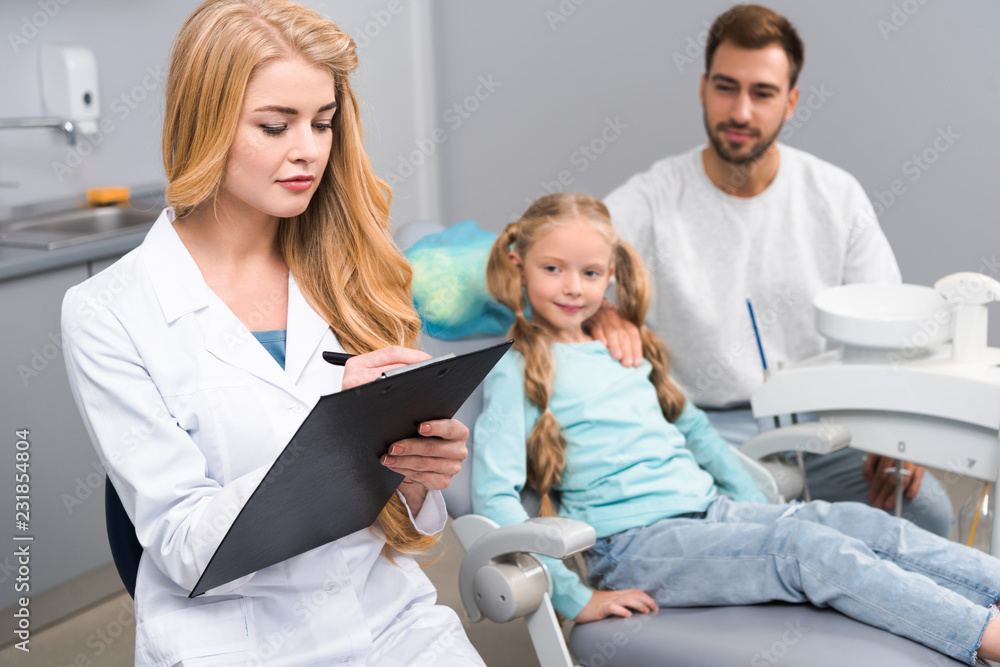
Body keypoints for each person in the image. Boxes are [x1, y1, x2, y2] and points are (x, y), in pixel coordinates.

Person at [61, 1, 483, 664]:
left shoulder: (350, 270)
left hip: (388, 620)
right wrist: (330, 433)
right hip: (233, 639)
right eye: (274, 125)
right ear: (206, 122)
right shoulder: (108, 312)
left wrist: (419, 474)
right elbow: (182, 545)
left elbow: (403, 521)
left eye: (322, 123)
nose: (308, 151)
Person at [471, 192, 1000, 666]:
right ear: (519, 263)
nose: (571, 288)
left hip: (712, 512)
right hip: (634, 546)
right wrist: (573, 595)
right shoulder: (516, 368)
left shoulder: (623, 346)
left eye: (589, 273)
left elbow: (698, 433)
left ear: (610, 277)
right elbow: (495, 499)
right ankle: (984, 636)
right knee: (802, 549)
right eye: (553, 269)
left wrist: (760, 511)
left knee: (854, 522)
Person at [589, 3, 954, 537]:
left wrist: (898, 433)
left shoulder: (836, 196)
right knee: (745, 541)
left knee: (926, 514)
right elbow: (557, 261)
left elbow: (893, 335)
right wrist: (601, 312)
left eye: (762, 93)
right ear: (702, 89)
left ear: (791, 102)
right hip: (702, 430)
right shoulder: (651, 197)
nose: (740, 111)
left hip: (827, 428)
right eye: (725, 87)